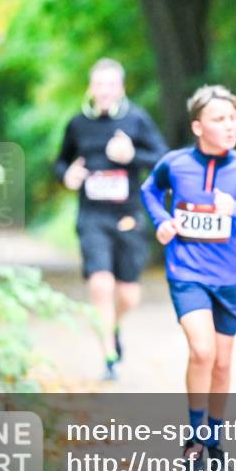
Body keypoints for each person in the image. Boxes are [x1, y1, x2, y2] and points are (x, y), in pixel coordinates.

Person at [141, 84, 236, 471]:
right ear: (198, 126)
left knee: (222, 363)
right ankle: (194, 438)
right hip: (186, 272)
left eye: (233, 117)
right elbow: (150, 191)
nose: (230, 125)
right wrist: (162, 221)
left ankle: (215, 440)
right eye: (219, 119)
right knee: (202, 352)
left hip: (226, 277)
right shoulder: (174, 163)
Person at [53, 58, 169, 381]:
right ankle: (108, 356)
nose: (104, 91)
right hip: (92, 216)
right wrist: (68, 175)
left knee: (128, 295)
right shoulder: (77, 124)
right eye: (99, 85)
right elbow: (60, 162)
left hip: (128, 216)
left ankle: (113, 326)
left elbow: (161, 157)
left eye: (110, 85)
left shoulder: (137, 120)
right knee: (100, 284)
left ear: (121, 88)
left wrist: (132, 156)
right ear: (91, 88)